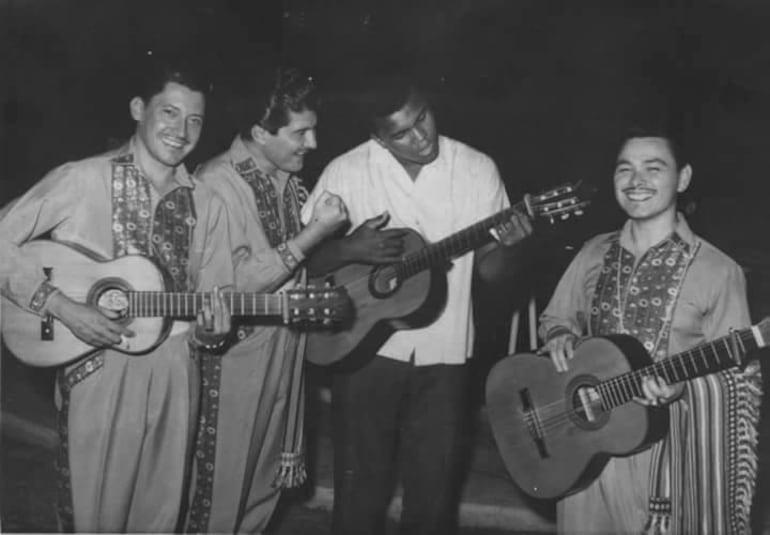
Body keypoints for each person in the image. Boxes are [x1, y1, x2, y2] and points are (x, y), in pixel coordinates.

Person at [0, 57, 234, 532]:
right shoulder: (82, 178)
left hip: (176, 372)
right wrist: (59, 305)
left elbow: (215, 294)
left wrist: (214, 330)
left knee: (162, 511)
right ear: (137, 108)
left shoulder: (208, 202)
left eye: (195, 120)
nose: (181, 129)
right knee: (95, 512)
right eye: (169, 112)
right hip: (95, 366)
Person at [302, 76, 532, 535]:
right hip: (362, 350)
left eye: (422, 117)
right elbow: (304, 262)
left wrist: (511, 247)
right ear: (377, 139)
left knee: (433, 495)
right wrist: (351, 250)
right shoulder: (346, 171)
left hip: (444, 354)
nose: (421, 136)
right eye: (401, 133)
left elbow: (491, 272)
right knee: (358, 493)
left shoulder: (476, 168)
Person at [539, 128, 762, 534]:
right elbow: (556, 318)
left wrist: (681, 388)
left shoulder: (719, 270)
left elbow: (737, 381)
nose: (635, 181)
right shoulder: (593, 252)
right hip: (582, 447)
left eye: (653, 169)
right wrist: (558, 337)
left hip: (666, 458)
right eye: (625, 169)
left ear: (683, 178)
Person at [184, 66, 348, 533]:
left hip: (282, 359)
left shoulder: (285, 180)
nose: (312, 143)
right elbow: (224, 292)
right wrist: (313, 235)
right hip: (233, 366)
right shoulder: (217, 183)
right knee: (217, 496)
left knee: (262, 493)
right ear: (260, 131)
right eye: (301, 132)